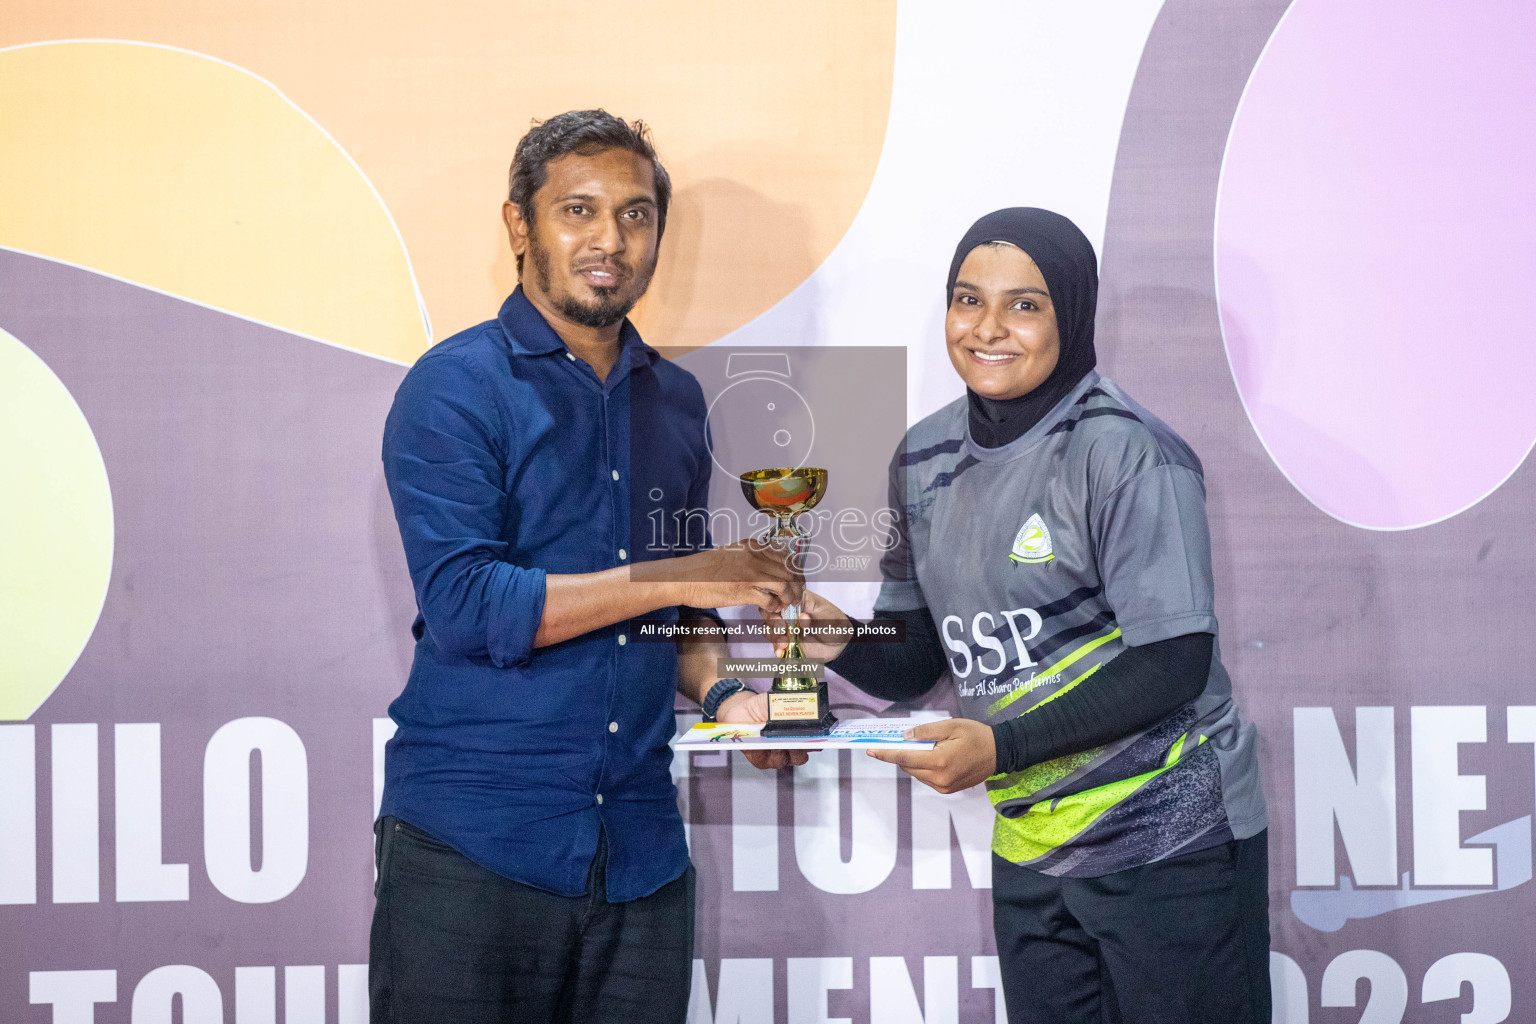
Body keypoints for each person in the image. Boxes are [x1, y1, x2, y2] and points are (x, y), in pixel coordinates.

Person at [779, 209, 1270, 1022]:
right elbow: (913, 659)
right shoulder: (924, 455)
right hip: (1033, 846)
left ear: (1071, 314)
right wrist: (825, 630)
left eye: (1025, 304)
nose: (989, 328)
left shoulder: (1126, 451)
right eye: (967, 300)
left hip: (1169, 835)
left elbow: (1173, 662)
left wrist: (999, 745)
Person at [371, 109, 799, 1024]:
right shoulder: (454, 386)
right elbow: (468, 604)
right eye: (578, 210)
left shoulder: (678, 403)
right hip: (475, 847)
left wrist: (732, 700)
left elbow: (677, 618)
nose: (611, 240)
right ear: (520, 225)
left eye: (636, 215)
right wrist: (684, 577)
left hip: (640, 856)